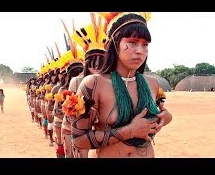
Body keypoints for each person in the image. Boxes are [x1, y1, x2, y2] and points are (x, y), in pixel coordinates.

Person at [71, 12, 172, 158]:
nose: (140, 51)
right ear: (115, 44)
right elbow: (78, 140)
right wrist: (130, 131)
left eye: (145, 45)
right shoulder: (94, 84)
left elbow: (162, 114)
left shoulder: (152, 84)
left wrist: (165, 117)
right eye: (132, 42)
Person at [64, 12, 108, 158]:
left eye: (100, 61)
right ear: (86, 63)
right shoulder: (76, 81)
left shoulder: (110, 82)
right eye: (92, 61)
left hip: (101, 133)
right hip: (80, 131)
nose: (96, 65)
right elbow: (69, 113)